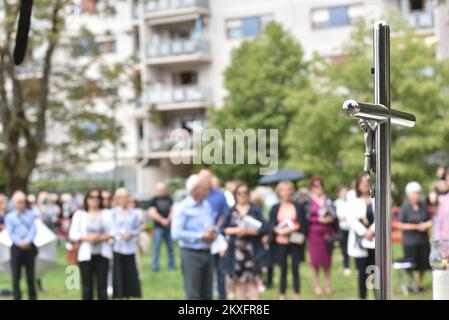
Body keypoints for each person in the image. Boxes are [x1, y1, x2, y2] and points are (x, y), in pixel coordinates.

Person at [171, 174, 216, 300]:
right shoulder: (182, 207)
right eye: (205, 186)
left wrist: (213, 232)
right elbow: (176, 233)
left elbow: (209, 225)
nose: (208, 188)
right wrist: (201, 236)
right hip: (191, 254)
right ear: (196, 189)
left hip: (207, 252)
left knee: (207, 294)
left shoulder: (206, 205)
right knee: (193, 294)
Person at [222, 182, 267, 300]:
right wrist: (237, 230)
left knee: (253, 282)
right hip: (236, 252)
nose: (242, 195)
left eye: (245, 193)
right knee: (239, 283)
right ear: (235, 195)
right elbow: (222, 228)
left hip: (252, 251)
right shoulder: (230, 211)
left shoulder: (255, 209)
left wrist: (252, 231)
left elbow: (264, 228)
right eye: (239, 193)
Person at [68, 188, 113, 300]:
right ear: (87, 199)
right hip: (85, 254)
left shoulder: (106, 213)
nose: (95, 200)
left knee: (102, 286)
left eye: (98, 197)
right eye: (92, 197)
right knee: (87, 287)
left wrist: (100, 237)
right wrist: (88, 238)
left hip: (103, 253)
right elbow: (73, 233)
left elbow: (114, 231)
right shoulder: (80, 214)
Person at [269, 181, 308, 300]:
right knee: (283, 269)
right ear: (279, 192)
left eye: (288, 190)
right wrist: (277, 230)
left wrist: (293, 228)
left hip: (294, 240)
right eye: (283, 190)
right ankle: (282, 293)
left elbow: (303, 223)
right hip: (281, 241)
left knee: (295, 268)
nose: (286, 192)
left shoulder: (297, 206)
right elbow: (271, 224)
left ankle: (296, 293)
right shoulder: (275, 207)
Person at [199, 168, 229, 300]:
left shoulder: (219, 195)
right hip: (201, 240)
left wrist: (217, 229)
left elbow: (225, 214)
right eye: (204, 178)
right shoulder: (197, 195)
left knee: (221, 272)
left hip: (217, 239)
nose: (207, 180)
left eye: (209, 177)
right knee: (204, 274)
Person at [397, 182, 432, 292]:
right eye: (415, 193)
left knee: (423, 263)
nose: (417, 195)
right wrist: (416, 226)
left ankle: (420, 283)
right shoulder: (405, 206)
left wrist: (426, 225)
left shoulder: (423, 205)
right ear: (409, 194)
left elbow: (430, 220)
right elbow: (400, 224)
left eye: (418, 193)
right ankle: (411, 283)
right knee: (410, 264)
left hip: (423, 240)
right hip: (410, 241)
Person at [346, 175, 375, 299]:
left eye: (366, 182)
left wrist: (372, 230)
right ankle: (363, 296)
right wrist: (364, 231)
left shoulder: (377, 199)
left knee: (375, 272)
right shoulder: (353, 200)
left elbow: (382, 216)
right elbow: (350, 218)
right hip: (360, 241)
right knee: (363, 272)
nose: (364, 184)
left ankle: (377, 296)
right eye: (361, 182)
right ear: (357, 185)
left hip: (374, 240)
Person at [306, 176, 336, 296]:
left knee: (327, 262)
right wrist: (318, 219)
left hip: (327, 234)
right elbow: (305, 218)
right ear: (312, 188)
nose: (318, 188)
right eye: (315, 186)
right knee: (315, 262)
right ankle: (317, 286)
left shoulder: (329, 199)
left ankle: (328, 285)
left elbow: (334, 214)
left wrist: (329, 219)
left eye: (320, 185)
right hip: (314, 234)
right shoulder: (308, 201)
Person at [5, 191, 38, 300]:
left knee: (30, 276)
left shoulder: (30, 214)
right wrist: (20, 243)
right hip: (16, 248)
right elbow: (10, 232)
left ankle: (32, 296)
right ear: (14, 203)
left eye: (23, 202)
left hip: (29, 248)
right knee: (16, 277)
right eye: (19, 202)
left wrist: (27, 241)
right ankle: (17, 297)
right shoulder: (9, 217)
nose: (21, 204)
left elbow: (33, 230)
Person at [111, 188, 142, 299]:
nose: (123, 199)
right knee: (119, 273)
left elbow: (138, 229)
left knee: (129, 273)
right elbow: (111, 229)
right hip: (118, 247)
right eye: (120, 197)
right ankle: (119, 294)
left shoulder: (134, 213)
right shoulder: (113, 213)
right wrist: (120, 234)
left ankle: (129, 294)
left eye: (125, 196)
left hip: (130, 247)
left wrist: (131, 234)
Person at [148, 182, 175, 272]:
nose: (162, 191)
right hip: (158, 227)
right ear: (157, 190)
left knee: (171, 247)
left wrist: (168, 219)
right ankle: (155, 267)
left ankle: (171, 265)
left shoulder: (169, 199)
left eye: (163, 189)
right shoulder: (153, 200)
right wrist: (162, 220)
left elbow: (172, 210)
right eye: (160, 189)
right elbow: (152, 212)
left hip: (168, 227)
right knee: (156, 248)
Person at [334, 186, 351, 275]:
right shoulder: (337, 203)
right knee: (344, 248)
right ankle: (346, 266)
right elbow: (339, 217)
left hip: (351, 228)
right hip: (343, 228)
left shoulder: (351, 202)